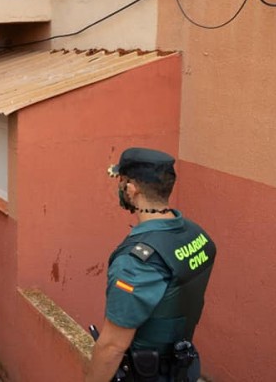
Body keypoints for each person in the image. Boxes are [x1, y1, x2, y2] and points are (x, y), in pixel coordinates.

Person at [86, 147, 217, 382]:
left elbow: (112, 347)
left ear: (131, 189)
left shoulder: (136, 264)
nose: (120, 188)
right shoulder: (198, 236)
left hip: (145, 374)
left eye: (121, 181)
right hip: (180, 366)